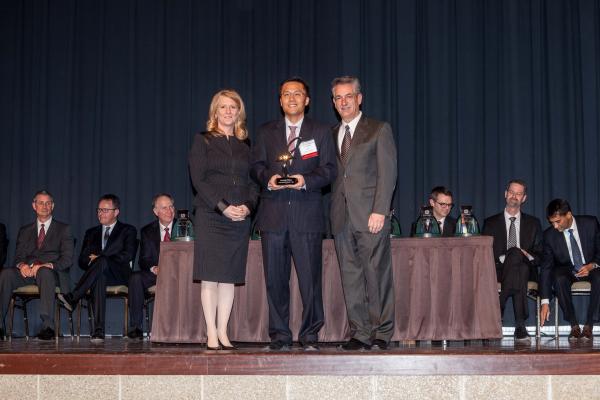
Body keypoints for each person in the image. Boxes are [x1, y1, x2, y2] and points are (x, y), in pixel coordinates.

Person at [250, 77, 337, 351]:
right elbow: (256, 166)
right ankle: (280, 336)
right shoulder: (266, 132)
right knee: (275, 280)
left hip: (307, 216)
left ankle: (310, 336)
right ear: (280, 100)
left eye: (297, 93)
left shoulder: (321, 131)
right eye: (286, 94)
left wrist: (305, 180)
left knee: (311, 282)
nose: (291, 98)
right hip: (273, 216)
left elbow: (330, 169)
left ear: (307, 100)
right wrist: (268, 178)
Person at [330, 76, 397, 350]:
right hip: (340, 217)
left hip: (371, 215)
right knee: (351, 277)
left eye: (348, 96)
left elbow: (388, 172)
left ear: (359, 98)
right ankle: (359, 332)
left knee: (376, 275)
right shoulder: (330, 133)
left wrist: (380, 210)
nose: (343, 102)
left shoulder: (378, 130)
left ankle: (382, 332)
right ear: (333, 102)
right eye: (338, 98)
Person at [189, 89, 258, 350]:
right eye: (223, 107)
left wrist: (249, 207)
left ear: (239, 112)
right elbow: (199, 180)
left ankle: (223, 331)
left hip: (239, 219)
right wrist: (223, 207)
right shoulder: (203, 140)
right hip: (211, 216)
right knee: (210, 276)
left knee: (229, 277)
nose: (228, 112)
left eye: (233, 107)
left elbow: (254, 182)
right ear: (214, 112)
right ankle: (210, 332)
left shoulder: (246, 145)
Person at [57, 194, 137, 342]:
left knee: (102, 263)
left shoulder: (128, 230)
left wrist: (102, 258)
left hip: (119, 273)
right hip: (99, 274)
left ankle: (74, 296)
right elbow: (82, 260)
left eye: (105, 210)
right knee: (99, 276)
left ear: (116, 212)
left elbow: (128, 255)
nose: (101, 213)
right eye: (99, 210)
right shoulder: (91, 233)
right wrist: (97, 261)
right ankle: (98, 331)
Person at [0, 190, 73, 340]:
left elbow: (67, 260)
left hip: (52, 274)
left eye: (48, 203)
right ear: (34, 206)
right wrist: (22, 266)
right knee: (6, 273)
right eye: (40, 203)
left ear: (53, 206)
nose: (44, 206)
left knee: (44, 272)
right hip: (28, 273)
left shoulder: (64, 229)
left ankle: (48, 326)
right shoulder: (25, 230)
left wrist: (46, 265)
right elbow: (18, 258)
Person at [481, 179, 542, 342]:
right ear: (506, 194)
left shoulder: (534, 223)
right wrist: (510, 256)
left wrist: (524, 254)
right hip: (499, 270)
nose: (514, 196)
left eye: (519, 193)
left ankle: (500, 304)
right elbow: (485, 253)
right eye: (512, 192)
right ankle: (520, 327)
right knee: (516, 262)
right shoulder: (490, 223)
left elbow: (540, 255)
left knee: (520, 263)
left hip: (528, 269)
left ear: (524, 198)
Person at [539, 199, 600, 341]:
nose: (555, 226)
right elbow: (546, 268)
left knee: (599, 277)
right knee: (558, 277)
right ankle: (573, 325)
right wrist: (545, 302)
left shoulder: (590, 224)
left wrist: (592, 265)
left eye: (558, 221)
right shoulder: (549, 235)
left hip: (592, 267)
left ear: (568, 215)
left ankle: (589, 325)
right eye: (552, 222)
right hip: (567, 269)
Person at [127, 193, 175, 339]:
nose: (169, 211)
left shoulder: (184, 226)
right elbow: (144, 259)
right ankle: (136, 327)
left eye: (171, 207)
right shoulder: (147, 231)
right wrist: (154, 268)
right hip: (157, 273)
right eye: (164, 208)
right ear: (156, 212)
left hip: (178, 273)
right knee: (135, 277)